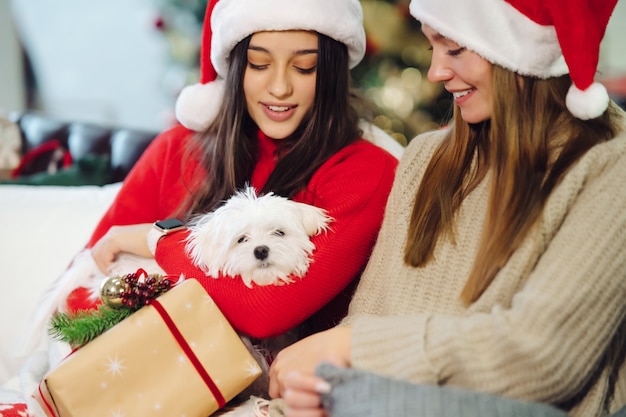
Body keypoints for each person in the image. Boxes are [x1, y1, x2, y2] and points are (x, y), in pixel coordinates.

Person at [268, 0, 626, 416]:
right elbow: (369, 317)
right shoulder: (426, 158)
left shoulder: (609, 166)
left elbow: (543, 357)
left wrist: (353, 350)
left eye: (455, 50)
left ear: (518, 49)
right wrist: (320, 389)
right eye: (431, 48)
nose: (436, 72)